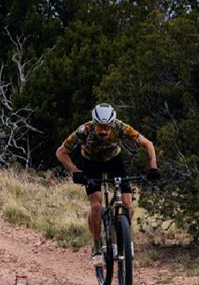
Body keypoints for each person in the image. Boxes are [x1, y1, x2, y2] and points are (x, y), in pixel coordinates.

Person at [55, 103, 159, 263]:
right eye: (100, 127)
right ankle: (96, 244)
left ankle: (118, 239)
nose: (103, 131)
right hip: (91, 162)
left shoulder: (121, 127)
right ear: (94, 124)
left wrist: (153, 167)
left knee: (127, 205)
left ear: (112, 124)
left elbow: (148, 144)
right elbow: (61, 152)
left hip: (113, 160)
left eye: (107, 127)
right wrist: (75, 171)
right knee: (96, 206)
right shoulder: (84, 130)